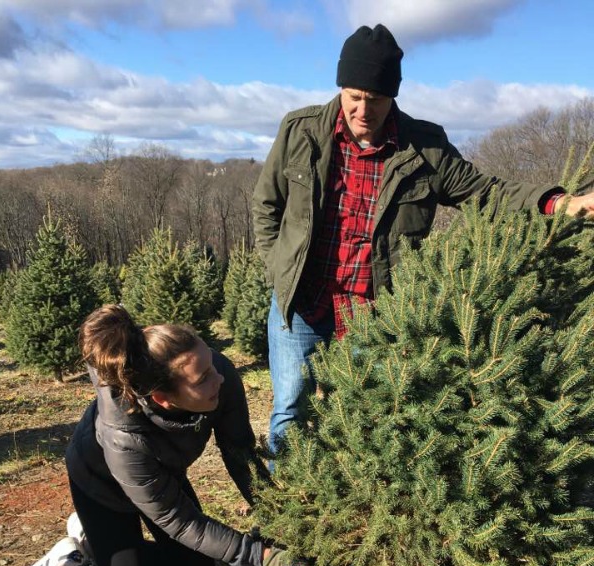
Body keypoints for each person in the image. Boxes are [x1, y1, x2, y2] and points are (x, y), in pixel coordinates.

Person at [252, 23, 594, 457]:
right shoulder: (300, 131)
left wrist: (560, 204)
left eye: (373, 100)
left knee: (368, 414)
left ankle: (351, 509)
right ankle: (289, 510)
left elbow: (486, 191)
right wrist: (277, 271)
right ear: (341, 88)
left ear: (392, 95)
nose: (361, 110)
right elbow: (267, 205)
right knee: (290, 410)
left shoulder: (425, 149)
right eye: (353, 97)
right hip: (301, 303)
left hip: (377, 314)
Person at [21, 305, 310, 566]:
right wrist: (263, 557)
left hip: (162, 477)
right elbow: (181, 521)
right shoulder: (125, 438)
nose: (219, 377)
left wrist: (279, 518)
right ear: (163, 398)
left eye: (212, 364)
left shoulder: (218, 373)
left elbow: (239, 453)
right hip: (103, 489)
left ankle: (96, 545)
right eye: (203, 379)